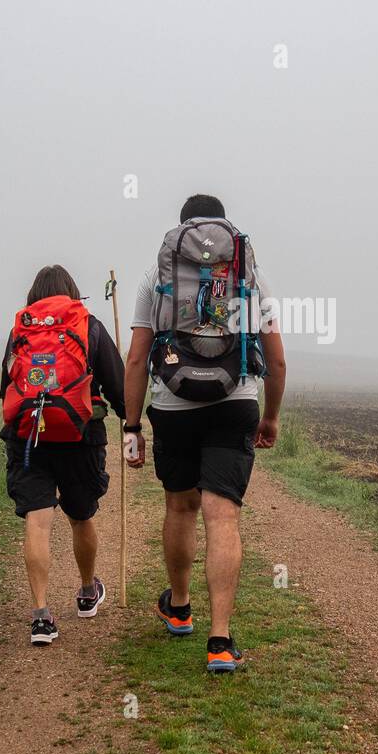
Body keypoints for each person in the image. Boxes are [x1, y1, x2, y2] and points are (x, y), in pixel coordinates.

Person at [122, 193, 287, 673]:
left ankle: (178, 606)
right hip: (235, 402)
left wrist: (132, 426)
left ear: (182, 231)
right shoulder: (251, 276)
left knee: (180, 506)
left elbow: (136, 358)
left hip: (173, 402)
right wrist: (270, 416)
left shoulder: (156, 276)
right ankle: (220, 641)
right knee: (223, 518)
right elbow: (276, 360)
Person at [0, 264, 126, 646]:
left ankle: (41, 617)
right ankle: (88, 592)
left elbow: (6, 389)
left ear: (34, 295)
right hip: (80, 437)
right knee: (81, 515)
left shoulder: (20, 330)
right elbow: (118, 387)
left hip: (28, 440)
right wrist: (130, 422)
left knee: (37, 522)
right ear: (72, 292)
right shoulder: (90, 326)